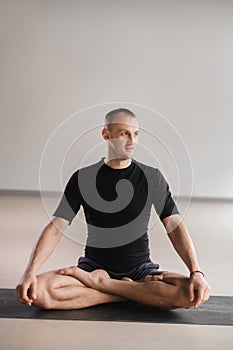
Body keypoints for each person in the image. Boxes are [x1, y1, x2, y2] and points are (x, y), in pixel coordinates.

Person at [16, 108, 210, 310]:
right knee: (39, 292)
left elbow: (174, 225)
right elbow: (57, 227)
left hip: (141, 271)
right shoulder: (83, 178)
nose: (132, 140)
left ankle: (105, 286)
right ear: (106, 134)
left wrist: (196, 272)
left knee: (190, 293)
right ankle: (132, 293)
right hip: (92, 268)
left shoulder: (152, 177)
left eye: (135, 134)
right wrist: (29, 271)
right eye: (124, 133)